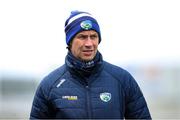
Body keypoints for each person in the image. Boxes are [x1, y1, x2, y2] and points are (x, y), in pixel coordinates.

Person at [30, 10, 151, 119]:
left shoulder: (122, 79)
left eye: (93, 36)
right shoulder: (50, 85)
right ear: (70, 41)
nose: (89, 43)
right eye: (82, 37)